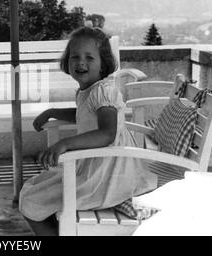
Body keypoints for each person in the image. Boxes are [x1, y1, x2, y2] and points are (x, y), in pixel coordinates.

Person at [19, 27, 157, 235]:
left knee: (31, 201)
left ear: (103, 65)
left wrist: (64, 144)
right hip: (95, 166)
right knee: (33, 188)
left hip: (107, 176)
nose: (81, 63)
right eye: (75, 57)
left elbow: (107, 133)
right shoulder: (89, 91)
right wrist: (52, 112)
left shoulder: (104, 92)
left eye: (89, 58)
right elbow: (83, 114)